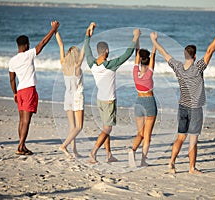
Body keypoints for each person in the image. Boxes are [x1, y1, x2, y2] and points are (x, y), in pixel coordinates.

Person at [150, 25, 215, 174]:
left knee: (180, 137)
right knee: (193, 140)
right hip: (195, 109)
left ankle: (171, 163)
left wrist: (154, 41)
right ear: (195, 56)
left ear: (185, 55)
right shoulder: (198, 68)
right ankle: (191, 168)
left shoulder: (178, 67)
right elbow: (210, 51)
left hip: (182, 107)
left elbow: (164, 54)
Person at [84, 22, 141, 163]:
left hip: (100, 100)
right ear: (107, 51)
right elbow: (127, 54)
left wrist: (88, 34)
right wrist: (135, 37)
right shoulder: (110, 65)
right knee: (108, 129)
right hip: (109, 101)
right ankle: (93, 152)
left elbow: (86, 49)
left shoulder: (92, 63)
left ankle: (109, 155)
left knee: (105, 127)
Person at [9, 20, 60, 155]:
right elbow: (42, 43)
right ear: (26, 45)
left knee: (21, 120)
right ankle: (20, 146)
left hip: (19, 91)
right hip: (28, 90)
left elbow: (12, 79)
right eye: (29, 44)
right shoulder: (28, 54)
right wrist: (53, 29)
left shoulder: (12, 60)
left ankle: (22, 145)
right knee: (26, 121)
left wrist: (14, 93)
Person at [55, 29, 85, 158]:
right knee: (79, 127)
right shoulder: (77, 68)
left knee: (72, 126)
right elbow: (84, 50)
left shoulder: (64, 65)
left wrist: (55, 31)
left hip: (67, 97)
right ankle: (64, 146)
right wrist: (88, 35)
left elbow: (61, 45)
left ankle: (74, 150)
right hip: (77, 97)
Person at [128, 37, 157, 167]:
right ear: (149, 61)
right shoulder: (149, 73)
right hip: (149, 102)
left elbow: (137, 54)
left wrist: (137, 37)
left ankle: (132, 150)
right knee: (147, 135)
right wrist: (154, 41)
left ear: (139, 61)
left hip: (139, 102)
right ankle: (143, 160)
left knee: (140, 132)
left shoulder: (135, 72)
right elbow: (154, 54)